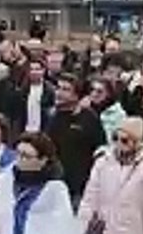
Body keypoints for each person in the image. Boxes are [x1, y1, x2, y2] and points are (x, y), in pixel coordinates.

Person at [45, 73, 107, 207]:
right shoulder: (51, 116)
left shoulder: (89, 118)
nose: (58, 93)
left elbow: (101, 151)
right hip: (54, 186)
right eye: (58, 88)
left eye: (65, 89)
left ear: (76, 95)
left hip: (79, 189)